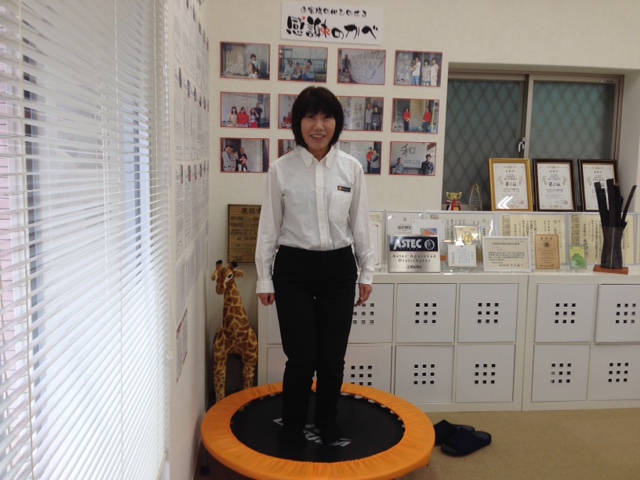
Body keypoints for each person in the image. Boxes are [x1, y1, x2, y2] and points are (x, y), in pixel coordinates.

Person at [255, 85, 374, 447]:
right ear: (298, 123)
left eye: (326, 117)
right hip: (293, 269)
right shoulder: (281, 170)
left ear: (337, 123)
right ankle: (292, 425)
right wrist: (264, 278)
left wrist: (367, 272)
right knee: (302, 358)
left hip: (339, 269)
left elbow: (360, 223)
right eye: (310, 117)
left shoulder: (351, 169)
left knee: (333, 359)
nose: (318, 125)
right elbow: (269, 225)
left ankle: (326, 422)